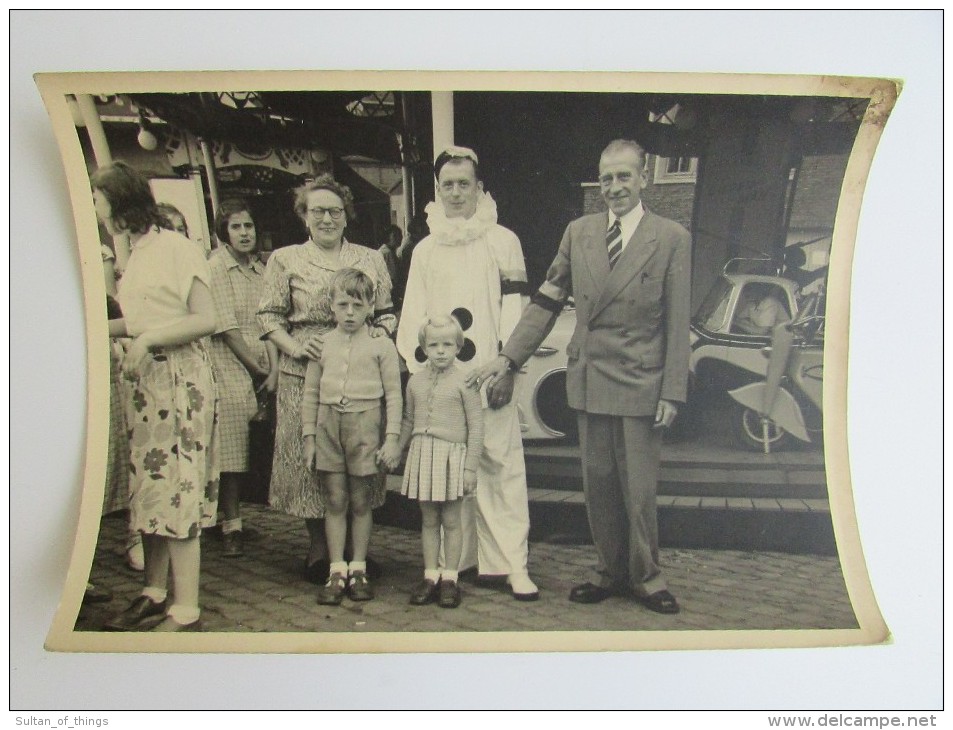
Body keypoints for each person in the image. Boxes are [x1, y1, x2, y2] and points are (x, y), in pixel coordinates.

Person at [472, 139, 691, 614]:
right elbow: (547, 301)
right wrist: (509, 358)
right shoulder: (580, 233)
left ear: (644, 178)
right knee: (599, 485)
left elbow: (677, 321)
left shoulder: (671, 237)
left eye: (625, 177)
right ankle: (609, 572)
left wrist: (673, 390)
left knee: (638, 490)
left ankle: (647, 576)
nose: (615, 187)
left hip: (641, 381)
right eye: (607, 177)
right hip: (590, 378)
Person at [396, 145, 538, 601]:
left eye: (464, 183)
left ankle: (511, 564)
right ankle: (454, 565)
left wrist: (509, 368)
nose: (456, 193)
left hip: (490, 372)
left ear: (479, 188)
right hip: (444, 382)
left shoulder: (503, 240)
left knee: (499, 462)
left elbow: (515, 309)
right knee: (449, 471)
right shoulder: (424, 249)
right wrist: (425, 379)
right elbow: (413, 314)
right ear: (437, 191)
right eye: (447, 185)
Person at [95, 161, 219, 632]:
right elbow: (144, 318)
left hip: (178, 380)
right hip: (146, 387)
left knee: (178, 488)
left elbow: (204, 318)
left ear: (120, 201)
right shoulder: (135, 250)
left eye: (98, 198)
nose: (95, 206)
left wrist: (146, 341)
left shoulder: (176, 246)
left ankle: (186, 610)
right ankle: (153, 591)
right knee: (150, 488)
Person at [257, 174, 396, 583]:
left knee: (358, 456)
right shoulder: (284, 259)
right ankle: (321, 550)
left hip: (361, 376)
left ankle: (358, 555)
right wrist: (295, 347)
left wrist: (377, 338)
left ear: (346, 215)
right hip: (305, 370)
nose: (327, 218)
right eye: (317, 211)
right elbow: (268, 316)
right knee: (312, 463)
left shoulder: (370, 258)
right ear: (304, 216)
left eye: (335, 211)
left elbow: (386, 311)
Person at [299, 268, 402, 605]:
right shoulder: (322, 345)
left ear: (371, 306)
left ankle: (358, 567)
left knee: (360, 500)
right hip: (329, 424)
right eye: (342, 305)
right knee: (334, 499)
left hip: (365, 424)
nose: (349, 313)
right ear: (331, 306)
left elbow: (394, 395)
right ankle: (336, 570)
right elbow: (311, 394)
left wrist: (392, 439)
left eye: (357, 306)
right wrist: (309, 437)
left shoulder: (381, 345)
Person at [207, 199, 279, 558]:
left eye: (248, 226)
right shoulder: (216, 268)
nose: (244, 233)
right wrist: (257, 368)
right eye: (236, 227)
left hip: (261, 360)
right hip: (229, 362)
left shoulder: (262, 270)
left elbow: (269, 321)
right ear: (225, 231)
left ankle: (243, 515)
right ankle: (230, 524)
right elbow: (228, 329)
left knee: (258, 439)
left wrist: (273, 369)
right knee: (232, 439)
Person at [399, 315, 484, 609]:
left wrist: (470, 467)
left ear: (458, 347)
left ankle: (450, 577)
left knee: (451, 520)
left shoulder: (466, 381)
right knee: (429, 519)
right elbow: (409, 419)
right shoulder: (415, 381)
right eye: (434, 344)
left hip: (452, 458)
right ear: (423, 346)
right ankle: (430, 575)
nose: (440, 351)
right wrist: (398, 448)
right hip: (424, 454)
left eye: (448, 344)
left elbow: (476, 427)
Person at [378, 224, 403, 303]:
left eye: (400, 235)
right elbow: (393, 276)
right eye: (394, 236)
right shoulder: (387, 253)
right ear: (388, 237)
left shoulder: (389, 251)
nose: (399, 239)